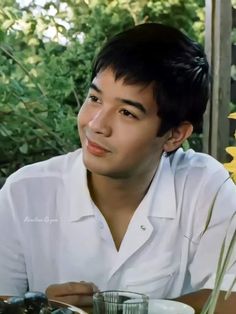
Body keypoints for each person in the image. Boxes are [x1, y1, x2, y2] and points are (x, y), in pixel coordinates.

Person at [0, 23, 235, 313]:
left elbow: (229, 298)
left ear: (175, 135)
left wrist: (116, 310)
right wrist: (40, 307)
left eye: (127, 112)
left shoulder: (205, 187)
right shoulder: (24, 191)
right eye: (95, 98)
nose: (96, 124)